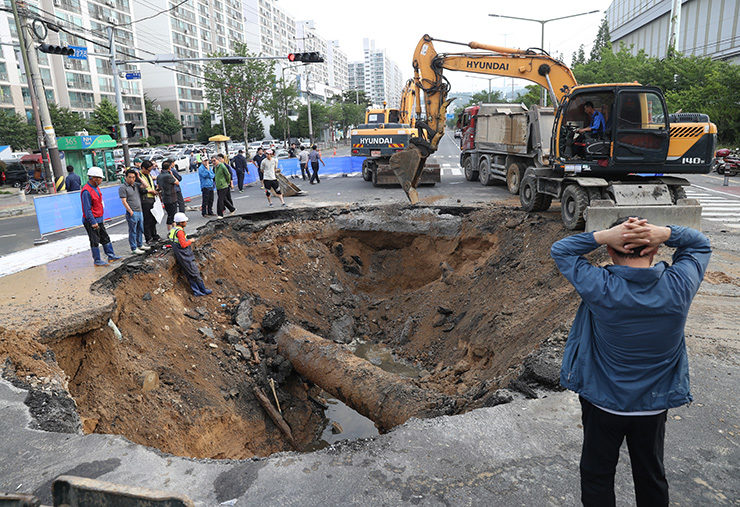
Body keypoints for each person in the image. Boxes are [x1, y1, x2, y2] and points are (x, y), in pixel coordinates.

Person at [550, 217, 711, 507]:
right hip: (653, 405)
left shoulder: (600, 286)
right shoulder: (679, 286)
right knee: (651, 476)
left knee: (597, 474)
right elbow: (699, 244)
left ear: (611, 251)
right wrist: (665, 233)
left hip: (603, 403)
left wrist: (601, 236)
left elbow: (561, 250)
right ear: (655, 250)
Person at [81, 166, 121, 266]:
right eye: (100, 178)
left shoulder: (96, 188)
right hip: (91, 220)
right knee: (94, 240)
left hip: (99, 218)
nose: (101, 180)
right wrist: (93, 222)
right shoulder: (86, 191)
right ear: (94, 178)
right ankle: (97, 260)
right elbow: (87, 209)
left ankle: (111, 256)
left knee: (105, 238)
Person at [168, 212, 212, 296]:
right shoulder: (180, 232)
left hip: (180, 255)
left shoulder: (174, 229)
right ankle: (202, 290)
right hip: (184, 255)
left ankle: (197, 291)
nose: (186, 222)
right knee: (194, 273)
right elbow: (183, 244)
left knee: (189, 273)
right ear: (181, 222)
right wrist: (191, 241)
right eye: (185, 221)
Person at [119, 168, 149, 254]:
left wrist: (139, 177)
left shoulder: (135, 185)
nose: (132, 179)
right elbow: (124, 201)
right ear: (126, 177)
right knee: (133, 230)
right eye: (130, 177)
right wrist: (130, 211)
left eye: (133, 177)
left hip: (139, 211)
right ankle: (133, 247)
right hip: (132, 212)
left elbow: (146, 185)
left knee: (140, 229)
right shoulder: (123, 188)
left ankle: (140, 244)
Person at [138, 160, 161, 245]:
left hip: (153, 198)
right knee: (147, 219)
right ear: (143, 168)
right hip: (145, 199)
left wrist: (156, 189)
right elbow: (140, 189)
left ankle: (154, 235)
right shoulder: (139, 176)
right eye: (148, 170)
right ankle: (148, 237)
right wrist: (150, 191)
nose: (150, 171)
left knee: (154, 218)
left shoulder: (148, 174)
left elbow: (151, 184)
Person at [156, 159, 180, 230]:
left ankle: (172, 230)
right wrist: (172, 175)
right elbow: (177, 182)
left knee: (170, 214)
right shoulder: (168, 176)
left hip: (164, 197)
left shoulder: (159, 176)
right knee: (172, 215)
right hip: (171, 197)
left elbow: (158, 186)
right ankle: (172, 231)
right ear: (169, 168)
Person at [214, 153, 235, 218]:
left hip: (224, 185)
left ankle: (220, 214)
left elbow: (229, 175)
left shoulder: (224, 166)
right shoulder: (215, 167)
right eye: (212, 161)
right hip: (219, 186)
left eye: (214, 160)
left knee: (221, 199)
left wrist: (229, 182)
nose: (213, 162)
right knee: (224, 199)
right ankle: (232, 208)